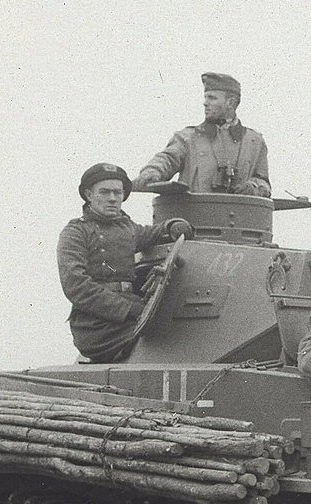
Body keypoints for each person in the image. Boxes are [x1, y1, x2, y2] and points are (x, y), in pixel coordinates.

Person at [57, 163, 191, 363]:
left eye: (117, 193)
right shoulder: (76, 232)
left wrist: (172, 225)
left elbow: (152, 232)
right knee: (166, 343)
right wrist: (128, 309)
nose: (112, 198)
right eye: (105, 192)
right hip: (97, 325)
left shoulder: (126, 228)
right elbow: (76, 286)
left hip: (131, 315)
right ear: (88, 194)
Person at [133, 73, 271, 197]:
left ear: (231, 102)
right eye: (205, 97)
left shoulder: (254, 142)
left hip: (239, 214)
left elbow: (263, 181)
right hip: (194, 214)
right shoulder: (187, 138)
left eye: (212, 98)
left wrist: (254, 187)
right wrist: (151, 172)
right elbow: (167, 159)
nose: (205, 103)